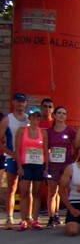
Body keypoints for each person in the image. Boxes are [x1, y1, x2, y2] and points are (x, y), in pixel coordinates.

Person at [14, 107, 49, 231]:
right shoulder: (22, 131)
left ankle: (35, 220)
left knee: (36, 193)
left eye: (38, 117)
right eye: (33, 117)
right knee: (24, 192)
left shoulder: (43, 132)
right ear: (29, 118)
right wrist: (19, 166)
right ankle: (23, 220)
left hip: (39, 165)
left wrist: (46, 167)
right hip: (25, 164)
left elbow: (45, 151)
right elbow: (17, 150)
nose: (35, 119)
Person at [1, 93, 28, 229]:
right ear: (13, 102)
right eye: (18, 101)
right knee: (12, 188)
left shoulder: (29, 119)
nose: (20, 104)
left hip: (26, 159)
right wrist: (10, 153)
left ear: (26, 104)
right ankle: (9, 217)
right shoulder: (7, 119)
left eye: (23, 102)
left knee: (26, 189)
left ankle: (27, 217)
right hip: (12, 158)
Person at [46, 106, 76, 228]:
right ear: (54, 115)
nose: (61, 115)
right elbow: (45, 149)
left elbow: (76, 146)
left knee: (68, 190)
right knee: (52, 192)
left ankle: (71, 214)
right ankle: (51, 217)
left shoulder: (70, 131)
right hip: (53, 165)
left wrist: (74, 159)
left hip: (66, 165)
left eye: (64, 113)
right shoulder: (48, 132)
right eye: (59, 113)